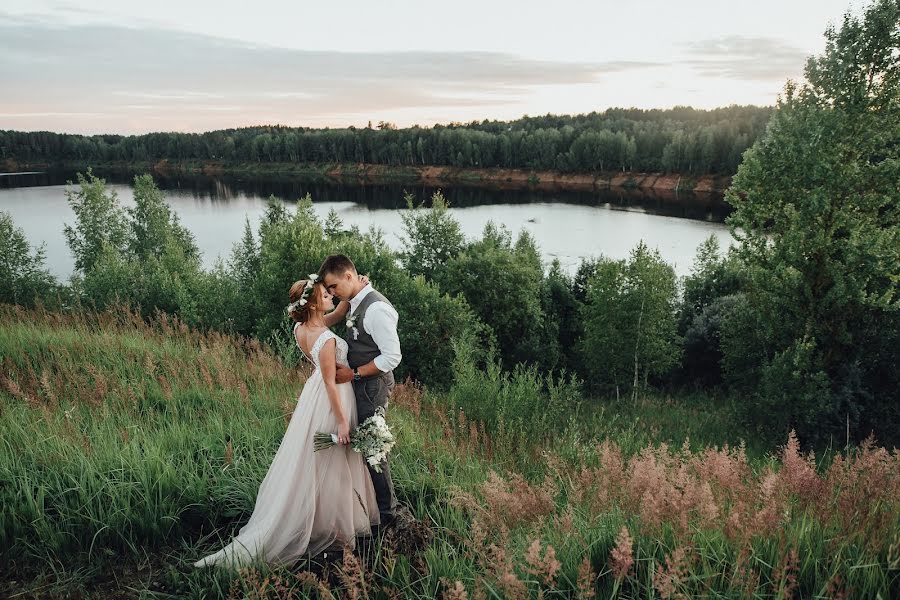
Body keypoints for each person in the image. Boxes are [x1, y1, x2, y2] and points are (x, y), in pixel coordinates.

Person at [193, 275, 379, 569]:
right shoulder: (327, 339)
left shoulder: (302, 328)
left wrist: (355, 289)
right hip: (333, 398)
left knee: (315, 461)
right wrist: (343, 423)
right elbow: (332, 384)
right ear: (315, 303)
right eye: (326, 293)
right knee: (332, 461)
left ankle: (319, 519)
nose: (331, 295)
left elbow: (336, 314)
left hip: (313, 396)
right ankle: (332, 527)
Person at [319, 254, 400, 528]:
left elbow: (392, 357)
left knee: (373, 448)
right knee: (365, 446)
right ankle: (374, 507)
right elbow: (339, 312)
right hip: (360, 384)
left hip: (373, 386)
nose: (332, 293)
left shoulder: (376, 310)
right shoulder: (354, 299)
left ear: (349, 277)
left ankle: (390, 515)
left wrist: (354, 373)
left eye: (333, 287)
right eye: (328, 290)